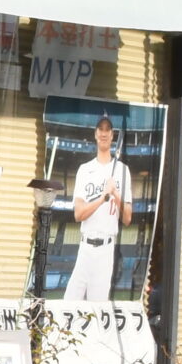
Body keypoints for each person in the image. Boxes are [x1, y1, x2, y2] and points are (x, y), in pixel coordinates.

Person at [64, 114, 133, 302]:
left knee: (97, 308)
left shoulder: (122, 170)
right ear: (95, 134)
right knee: (69, 303)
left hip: (106, 249)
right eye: (100, 129)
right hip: (85, 246)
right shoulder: (85, 169)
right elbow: (78, 214)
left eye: (107, 130)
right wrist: (102, 198)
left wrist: (116, 195)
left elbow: (127, 218)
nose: (103, 133)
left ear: (112, 135)